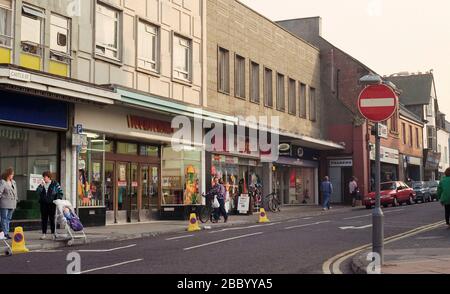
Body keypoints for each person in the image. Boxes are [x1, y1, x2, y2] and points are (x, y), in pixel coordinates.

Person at [37, 171, 64, 240]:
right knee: (44, 219)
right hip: (43, 204)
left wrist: (57, 200)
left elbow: (60, 192)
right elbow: (37, 192)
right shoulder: (42, 185)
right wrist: (41, 186)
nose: (44, 178)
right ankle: (44, 234)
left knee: (52, 219)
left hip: (52, 204)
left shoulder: (55, 184)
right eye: (43, 177)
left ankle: (53, 233)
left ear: (49, 177)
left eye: (45, 177)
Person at [0, 168, 18, 240]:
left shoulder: (13, 182)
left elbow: (16, 192)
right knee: (4, 219)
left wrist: (16, 200)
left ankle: (6, 232)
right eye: (11, 174)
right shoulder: (3, 182)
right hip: (4, 203)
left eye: (13, 174)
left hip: (12, 203)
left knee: (8, 219)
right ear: (8, 174)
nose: (12, 176)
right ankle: (5, 233)